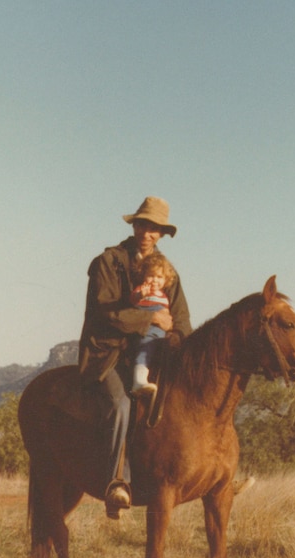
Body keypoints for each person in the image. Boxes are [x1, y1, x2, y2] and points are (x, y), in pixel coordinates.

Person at [78, 196, 192, 519]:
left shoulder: (167, 272)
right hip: (108, 352)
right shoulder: (109, 262)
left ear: (161, 234)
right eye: (143, 224)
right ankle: (117, 481)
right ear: (134, 225)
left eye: (154, 228)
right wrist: (151, 320)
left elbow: (181, 321)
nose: (147, 232)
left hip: (152, 352)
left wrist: (174, 338)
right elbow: (106, 313)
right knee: (121, 403)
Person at [129, 252, 177, 396]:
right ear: (143, 276)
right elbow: (133, 300)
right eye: (151, 275)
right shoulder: (143, 290)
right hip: (148, 326)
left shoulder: (163, 295)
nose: (154, 280)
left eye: (159, 277)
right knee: (146, 347)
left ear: (166, 280)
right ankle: (139, 380)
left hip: (161, 331)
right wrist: (141, 295)